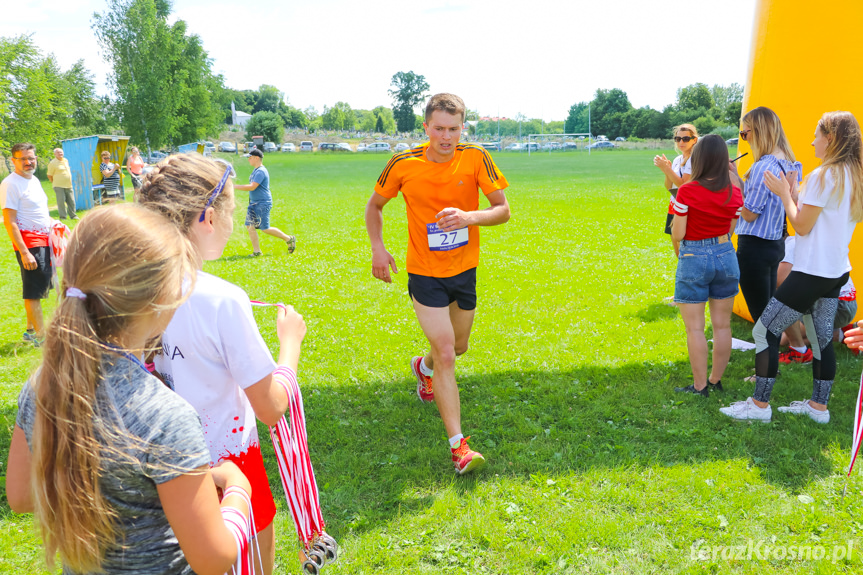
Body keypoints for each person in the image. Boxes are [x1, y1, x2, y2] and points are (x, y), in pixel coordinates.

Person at [5, 204, 254, 575]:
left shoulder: (43, 383)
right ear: (161, 300)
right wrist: (237, 489)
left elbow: (22, 496)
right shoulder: (164, 417)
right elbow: (214, 558)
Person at [136, 153, 307, 575]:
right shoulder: (221, 298)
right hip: (229, 464)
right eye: (230, 211)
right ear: (208, 217)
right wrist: (290, 345)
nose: (232, 224)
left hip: (155, 466)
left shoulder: (132, 285)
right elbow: (270, 406)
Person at [365, 93, 511, 475]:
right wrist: (378, 250)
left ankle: (423, 368)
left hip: (464, 271)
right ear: (426, 127)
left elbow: (503, 210)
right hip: (425, 273)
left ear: (462, 127)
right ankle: (459, 447)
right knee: (447, 352)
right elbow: (374, 206)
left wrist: (469, 216)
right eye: (439, 129)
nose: (446, 137)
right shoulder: (403, 163)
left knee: (457, 348)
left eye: (453, 128)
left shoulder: (475, 156)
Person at [721, 111, 863, 423]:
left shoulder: (823, 176)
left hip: (812, 272)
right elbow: (824, 219)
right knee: (822, 339)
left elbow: (800, 226)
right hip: (837, 272)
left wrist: (785, 195)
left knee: (764, 330)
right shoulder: (854, 176)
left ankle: (758, 406)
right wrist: (797, 195)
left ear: (831, 139)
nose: (812, 142)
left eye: (817, 135)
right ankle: (818, 408)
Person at [670, 134, 744, 396]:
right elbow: (731, 229)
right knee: (723, 325)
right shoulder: (734, 192)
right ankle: (715, 380)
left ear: (699, 158)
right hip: (725, 253)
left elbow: (678, 234)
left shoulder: (687, 191)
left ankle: (700, 386)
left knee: (695, 328)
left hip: (694, 256)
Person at [730, 107, 802, 334]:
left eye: (745, 133)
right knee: (770, 312)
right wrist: (739, 181)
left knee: (764, 322)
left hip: (754, 248)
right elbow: (760, 202)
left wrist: (731, 189)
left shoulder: (763, 166)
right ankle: (782, 358)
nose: (745, 138)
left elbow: (750, 213)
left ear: (759, 131)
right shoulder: (791, 164)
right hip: (776, 245)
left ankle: (766, 370)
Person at [1, 143, 53, 346]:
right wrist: (24, 253)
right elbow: (9, 220)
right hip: (29, 243)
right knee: (34, 292)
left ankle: (30, 331)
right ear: (13, 160)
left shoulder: (34, 180)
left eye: (31, 157)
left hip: (43, 239)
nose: (29, 162)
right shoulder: (10, 184)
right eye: (23, 159)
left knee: (37, 286)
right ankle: (42, 338)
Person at [776, 234, 857, 362]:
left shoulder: (791, 245)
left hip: (838, 305)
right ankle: (844, 333)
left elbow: (780, 283)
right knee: (784, 338)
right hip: (845, 303)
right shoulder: (811, 240)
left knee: (781, 337)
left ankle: (800, 351)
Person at [233, 148, 296, 256]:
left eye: (250, 157)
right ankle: (257, 251)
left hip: (262, 203)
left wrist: (233, 186)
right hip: (254, 203)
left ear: (257, 158)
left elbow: (252, 187)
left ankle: (289, 239)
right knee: (250, 226)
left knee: (265, 228)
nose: (248, 160)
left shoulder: (261, 171)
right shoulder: (255, 170)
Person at [654, 123, 698, 258]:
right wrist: (666, 171)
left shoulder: (694, 159)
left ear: (694, 140)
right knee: (678, 252)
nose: (681, 142)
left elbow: (684, 185)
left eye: (685, 139)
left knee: (686, 250)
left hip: (687, 208)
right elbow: (669, 187)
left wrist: (667, 169)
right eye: (678, 139)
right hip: (674, 205)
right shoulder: (678, 159)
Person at [46, 147, 77, 220]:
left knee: (72, 201)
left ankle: (73, 216)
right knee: (61, 202)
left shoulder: (65, 160)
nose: (60, 154)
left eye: (61, 152)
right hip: (58, 185)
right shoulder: (52, 163)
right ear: (55, 154)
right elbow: (49, 175)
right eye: (58, 152)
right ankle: (63, 217)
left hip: (68, 185)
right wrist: (54, 182)